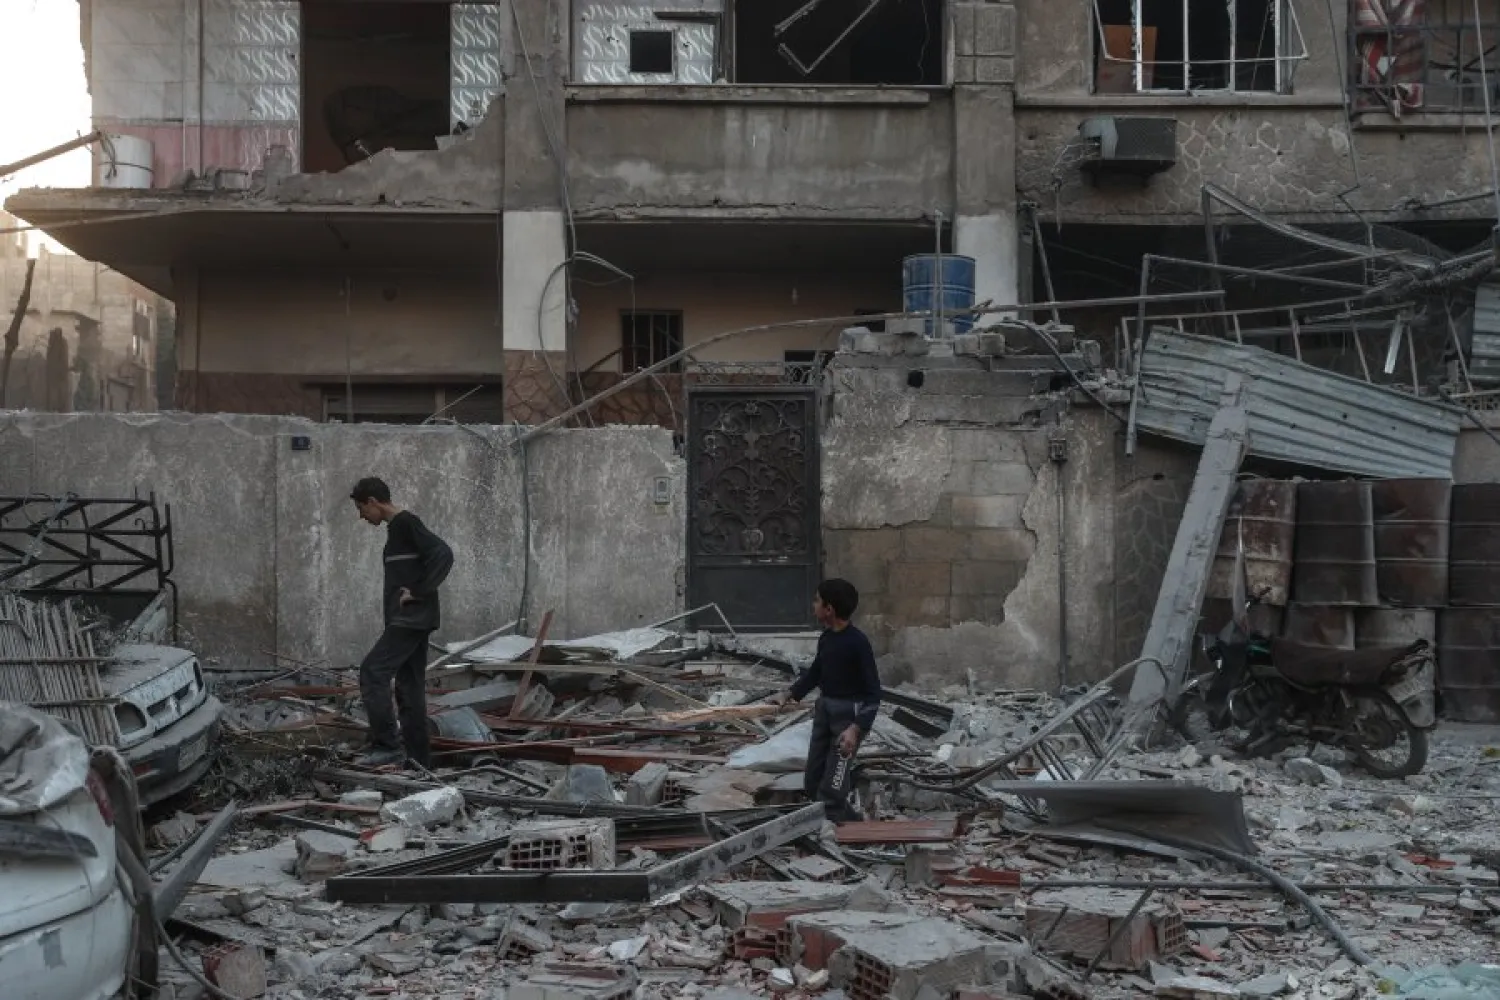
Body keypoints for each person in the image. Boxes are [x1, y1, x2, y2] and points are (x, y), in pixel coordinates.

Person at [350, 477, 454, 768]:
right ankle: (419, 760)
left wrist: (419, 591)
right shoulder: (397, 530)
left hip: (410, 620)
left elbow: (443, 553)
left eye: (361, 508)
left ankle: (388, 746)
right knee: (409, 686)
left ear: (373, 501)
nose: (361, 516)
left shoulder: (406, 523)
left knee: (373, 672)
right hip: (412, 620)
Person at [768, 578, 882, 822]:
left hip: (848, 718)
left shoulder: (858, 643)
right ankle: (852, 821)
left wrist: (856, 729)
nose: (813, 605)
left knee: (833, 785)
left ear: (829, 609)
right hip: (825, 709)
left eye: (817, 600)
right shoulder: (827, 639)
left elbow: (874, 693)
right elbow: (815, 673)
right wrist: (789, 694)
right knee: (813, 780)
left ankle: (834, 835)